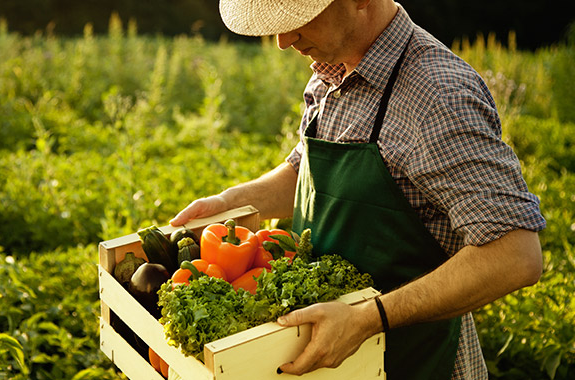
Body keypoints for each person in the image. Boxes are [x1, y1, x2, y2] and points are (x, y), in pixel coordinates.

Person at [170, 0, 546, 378]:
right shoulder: (330, 71)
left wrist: (368, 318)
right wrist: (231, 201)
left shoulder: (437, 95)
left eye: (299, 18)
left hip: (412, 361)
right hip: (333, 360)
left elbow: (515, 254)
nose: (283, 40)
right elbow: (306, 171)